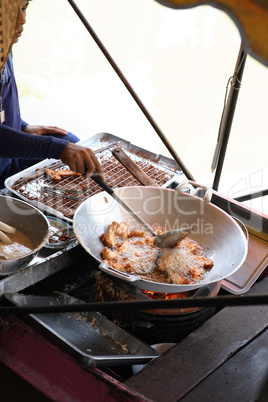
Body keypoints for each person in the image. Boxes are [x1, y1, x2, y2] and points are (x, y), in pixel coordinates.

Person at [0, 0, 103, 188]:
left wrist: (21, 126)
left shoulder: (4, 46)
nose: (22, 19)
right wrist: (57, 149)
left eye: (24, 8)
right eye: (10, 12)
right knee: (64, 147)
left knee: (71, 142)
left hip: (8, 160)